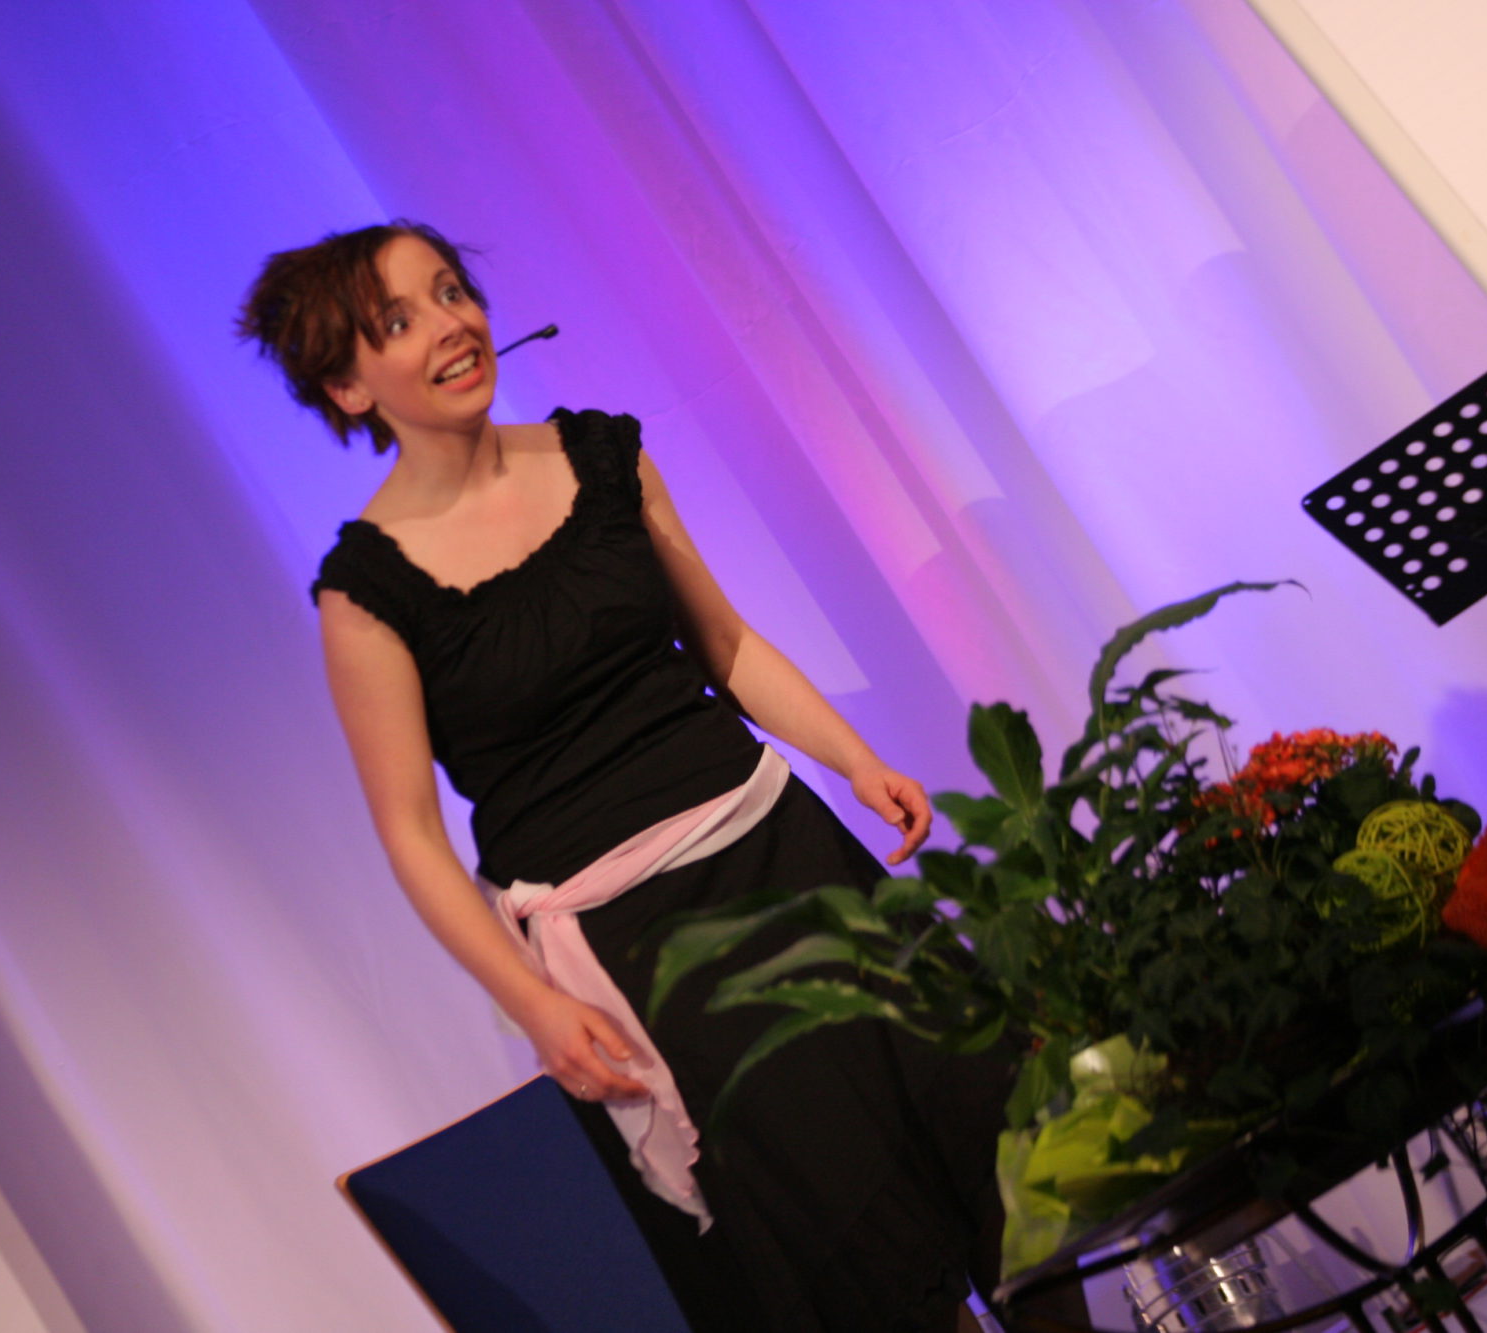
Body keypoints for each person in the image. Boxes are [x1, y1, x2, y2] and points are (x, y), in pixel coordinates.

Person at [240, 221, 1015, 1332]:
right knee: (856, 1240)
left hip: (787, 853)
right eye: (399, 321)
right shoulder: (367, 594)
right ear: (348, 387)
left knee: (994, 1146)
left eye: (452, 290)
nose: (451, 325)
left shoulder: (602, 456)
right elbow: (411, 834)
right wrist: (535, 1006)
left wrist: (854, 761)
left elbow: (724, 643)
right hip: (652, 948)